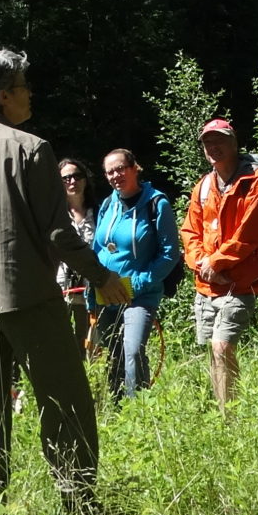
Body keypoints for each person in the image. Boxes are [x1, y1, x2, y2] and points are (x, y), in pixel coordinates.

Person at [0, 51, 132, 514]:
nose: (29, 93)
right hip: (28, 297)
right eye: (22, 85)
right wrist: (103, 276)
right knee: (64, 401)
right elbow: (58, 234)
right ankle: (78, 504)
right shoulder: (31, 149)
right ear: (2, 96)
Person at [179, 117, 258, 406]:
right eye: (207, 142)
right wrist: (202, 264)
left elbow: (251, 233)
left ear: (234, 142)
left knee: (222, 347)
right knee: (214, 350)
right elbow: (189, 231)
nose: (213, 146)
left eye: (219, 140)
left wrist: (217, 264)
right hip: (207, 283)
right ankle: (224, 412)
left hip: (239, 282)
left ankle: (229, 418)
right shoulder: (204, 185)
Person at [91, 148, 183, 403]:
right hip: (106, 293)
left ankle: (138, 409)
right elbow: (97, 248)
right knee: (113, 354)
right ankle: (118, 408)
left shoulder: (156, 203)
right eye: (109, 172)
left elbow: (169, 254)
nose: (115, 175)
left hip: (139, 295)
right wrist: (94, 287)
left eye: (120, 168)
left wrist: (139, 283)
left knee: (132, 351)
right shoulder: (108, 204)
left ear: (134, 169)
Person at [55, 157, 99, 342]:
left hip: (92, 285)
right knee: (61, 337)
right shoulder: (54, 215)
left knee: (89, 338)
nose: (72, 181)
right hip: (61, 286)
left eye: (77, 176)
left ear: (85, 179)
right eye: (66, 178)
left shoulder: (99, 212)